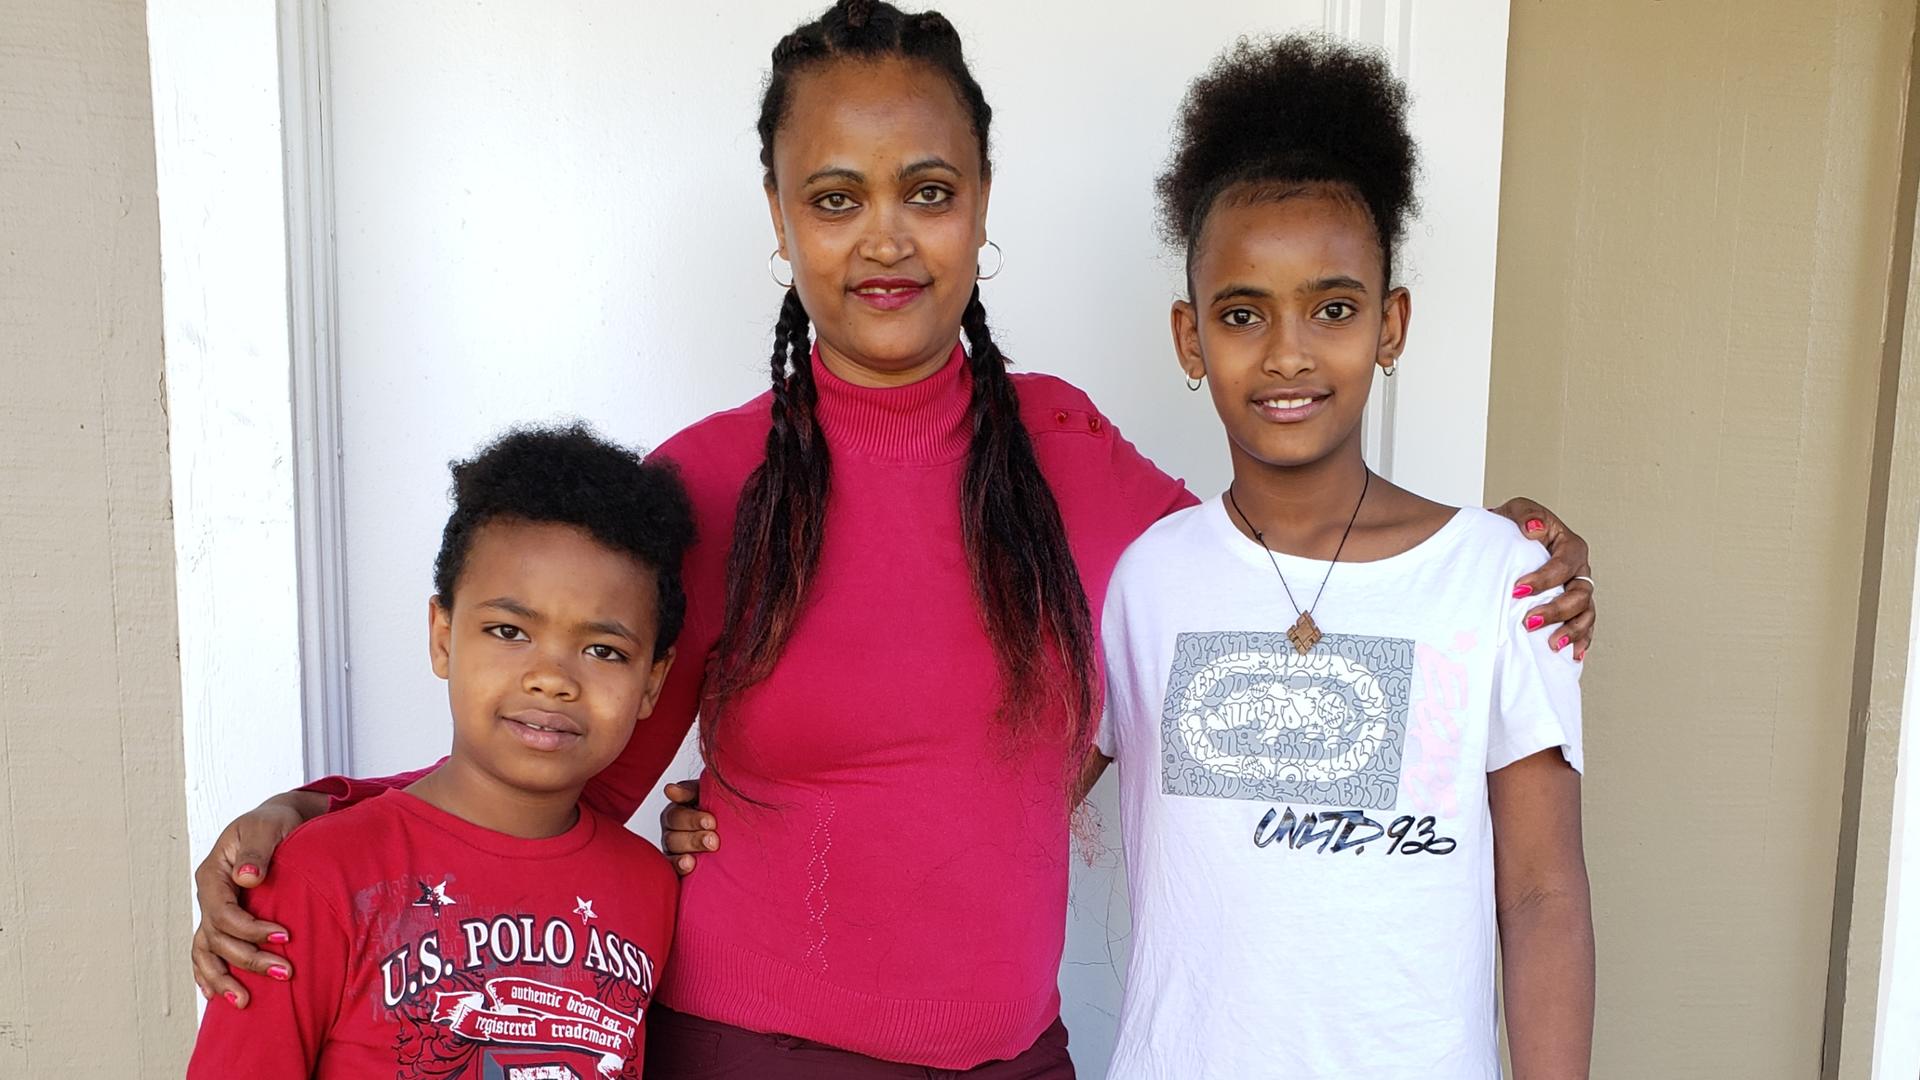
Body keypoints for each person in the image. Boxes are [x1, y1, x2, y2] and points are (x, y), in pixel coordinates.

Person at [190, 4, 1596, 1075]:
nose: (886, 240)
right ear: (779, 216)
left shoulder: (1068, 454)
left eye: (928, 191)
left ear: (982, 202)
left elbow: (1282, 570)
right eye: (835, 196)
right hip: (752, 1050)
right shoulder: (709, 484)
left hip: (1015, 1056)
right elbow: (563, 773)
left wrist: (1506, 552)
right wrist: (316, 826)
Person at [1091, 35, 1593, 1078]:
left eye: (1333, 308)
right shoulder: (1144, 583)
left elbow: (1543, 895)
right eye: (1242, 314)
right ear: (1190, 339)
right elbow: (998, 805)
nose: (1288, 352)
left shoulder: (1499, 578)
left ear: (1390, 324)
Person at [187, 425, 692, 1079]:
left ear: (652, 681)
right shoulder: (318, 873)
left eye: (604, 650)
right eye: (509, 631)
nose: (552, 678)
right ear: (443, 638)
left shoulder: (650, 886)